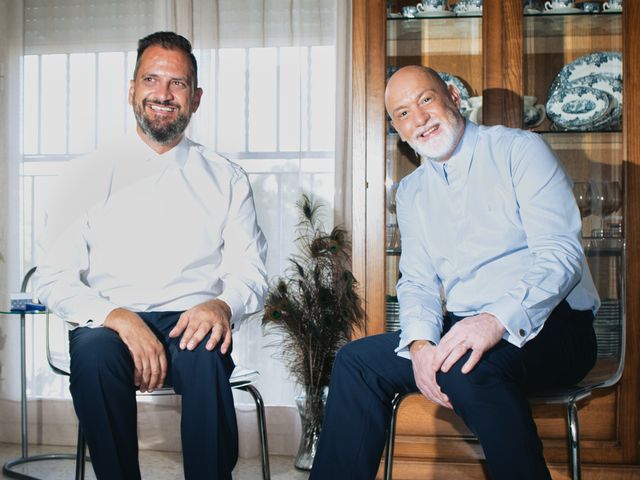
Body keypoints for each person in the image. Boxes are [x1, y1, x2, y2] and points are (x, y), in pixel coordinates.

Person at [310, 65, 599, 480]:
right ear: (398, 129)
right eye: (404, 113)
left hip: (555, 326)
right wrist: (421, 345)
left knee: (465, 366)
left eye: (426, 100)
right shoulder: (410, 193)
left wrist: (495, 320)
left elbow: (561, 255)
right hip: (462, 329)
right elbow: (418, 282)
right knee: (357, 362)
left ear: (452, 97)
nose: (420, 119)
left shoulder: (519, 150)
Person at [33, 31, 268, 480]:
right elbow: (54, 277)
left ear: (196, 98)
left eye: (177, 84)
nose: (163, 94)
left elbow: (250, 272)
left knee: (205, 351)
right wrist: (118, 317)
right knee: (96, 355)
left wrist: (221, 304)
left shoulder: (228, 178)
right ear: (132, 90)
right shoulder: (84, 175)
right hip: (109, 319)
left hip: (190, 317)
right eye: (151, 80)